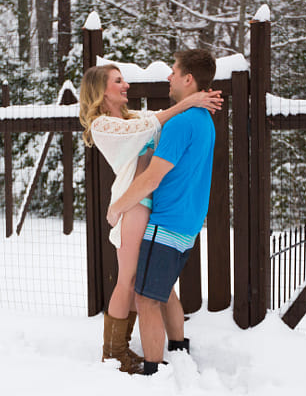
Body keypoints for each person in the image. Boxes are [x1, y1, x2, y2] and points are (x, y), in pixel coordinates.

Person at [79, 63, 222, 374]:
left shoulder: (131, 117)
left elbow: (156, 119)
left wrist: (195, 100)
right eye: (118, 81)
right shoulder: (103, 125)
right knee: (129, 279)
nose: (126, 85)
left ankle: (166, 347)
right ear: (102, 91)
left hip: (147, 202)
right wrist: (190, 100)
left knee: (152, 282)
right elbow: (150, 125)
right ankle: (114, 352)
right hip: (134, 203)